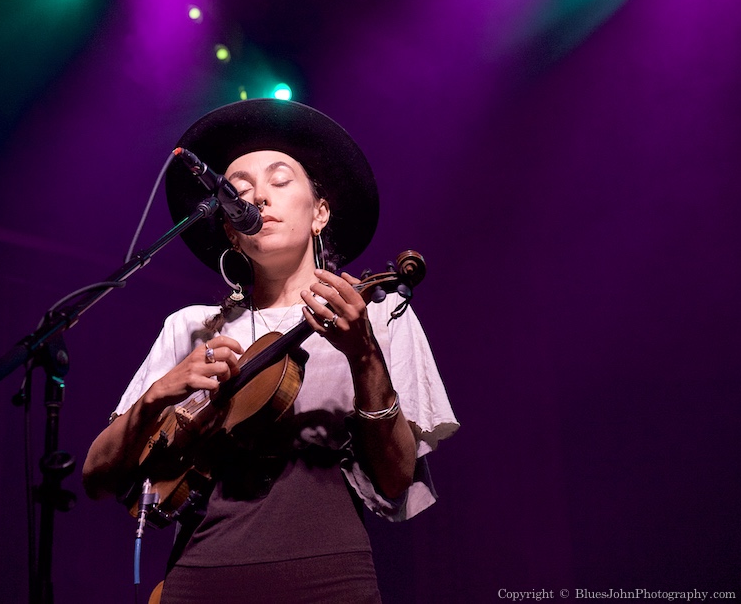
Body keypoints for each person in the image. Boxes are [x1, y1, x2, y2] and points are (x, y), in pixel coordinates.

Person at [82, 99, 459, 603]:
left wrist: (363, 355)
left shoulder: (377, 313)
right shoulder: (191, 327)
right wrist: (157, 395)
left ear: (320, 212)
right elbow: (96, 477)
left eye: (280, 182)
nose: (258, 197)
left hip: (328, 577)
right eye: (236, 193)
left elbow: (395, 480)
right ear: (231, 231)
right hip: (199, 578)